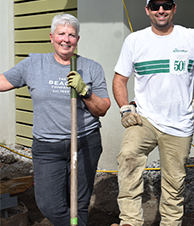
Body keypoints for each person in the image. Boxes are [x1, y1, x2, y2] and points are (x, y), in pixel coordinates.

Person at [111, 0, 194, 226]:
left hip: (179, 124)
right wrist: (126, 107)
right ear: (147, 10)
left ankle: (170, 223)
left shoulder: (192, 37)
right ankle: (129, 221)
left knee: (174, 182)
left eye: (166, 5)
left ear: (174, 9)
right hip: (144, 118)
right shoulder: (135, 40)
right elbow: (120, 79)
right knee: (128, 155)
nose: (161, 10)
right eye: (156, 6)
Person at [0, 14, 111, 226]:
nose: (65, 39)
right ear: (51, 37)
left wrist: (84, 91)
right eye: (61, 34)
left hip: (84, 142)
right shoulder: (34, 64)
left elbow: (103, 108)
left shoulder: (91, 68)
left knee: (78, 203)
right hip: (47, 146)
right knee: (49, 204)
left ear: (77, 39)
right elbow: (3, 81)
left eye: (71, 35)